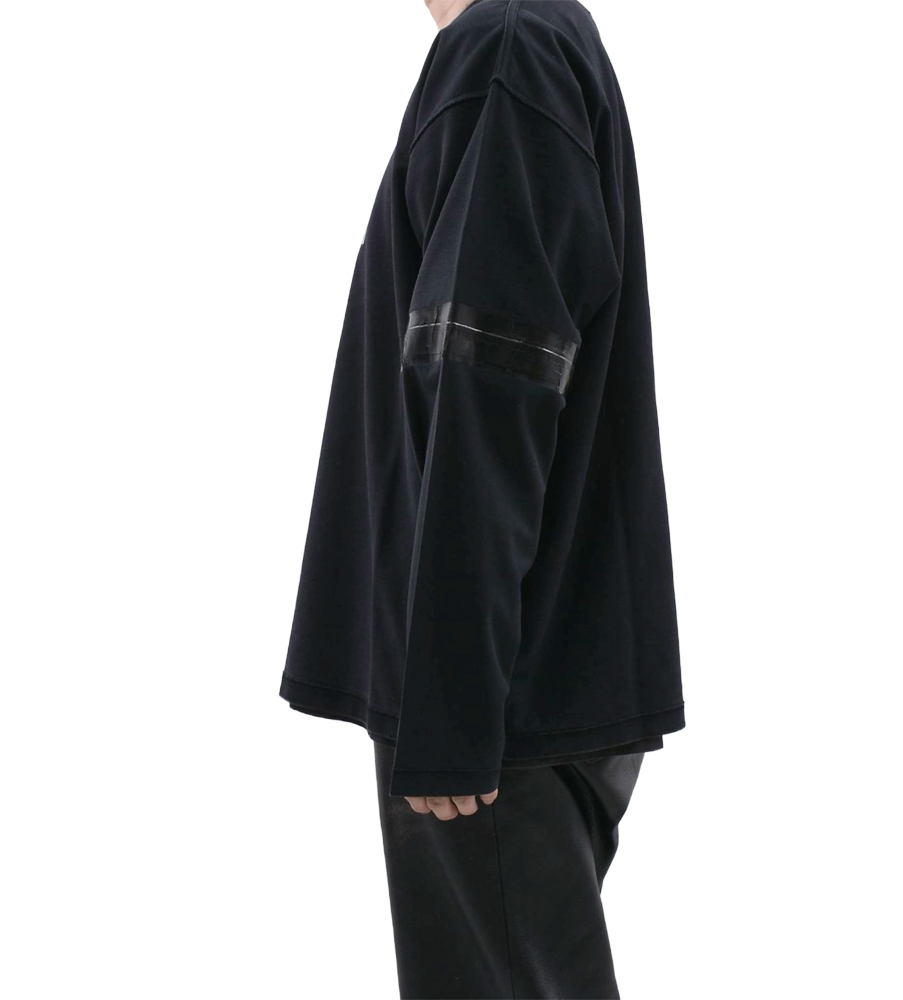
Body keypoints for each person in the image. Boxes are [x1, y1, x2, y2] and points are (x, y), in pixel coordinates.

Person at [280, 0, 685, 994]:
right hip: (520, 674)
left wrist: (451, 710)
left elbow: (488, 385)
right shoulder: (532, 42)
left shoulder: (508, 49)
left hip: (496, 699)